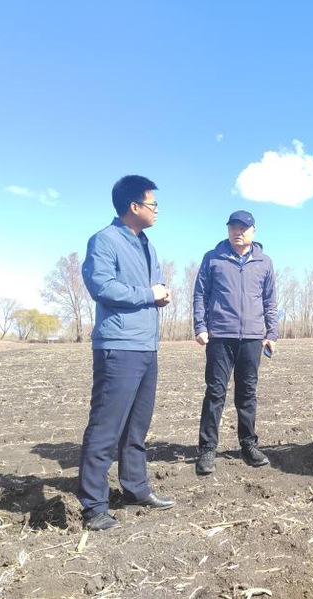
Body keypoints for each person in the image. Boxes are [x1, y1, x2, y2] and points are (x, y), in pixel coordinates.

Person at [77, 175, 175, 531]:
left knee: (137, 427)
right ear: (133, 206)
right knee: (106, 427)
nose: (157, 210)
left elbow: (153, 286)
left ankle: (135, 488)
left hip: (147, 345)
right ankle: (94, 507)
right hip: (118, 347)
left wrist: (159, 295)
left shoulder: (147, 244)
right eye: (153, 204)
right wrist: (149, 294)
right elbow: (101, 286)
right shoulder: (105, 240)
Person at [192, 210, 278, 475]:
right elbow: (200, 295)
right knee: (215, 392)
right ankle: (207, 448)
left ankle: (248, 444)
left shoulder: (264, 262)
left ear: (253, 231)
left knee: (247, 393)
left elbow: (270, 301)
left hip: (252, 338)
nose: (237, 231)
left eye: (243, 228)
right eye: (233, 227)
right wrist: (200, 327)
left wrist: (272, 334)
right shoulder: (213, 258)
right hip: (220, 336)